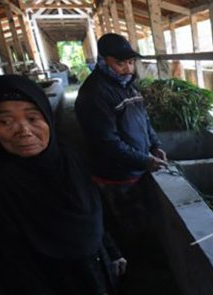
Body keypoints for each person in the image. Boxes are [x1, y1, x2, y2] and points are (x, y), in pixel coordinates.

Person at [0, 75, 127, 295]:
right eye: (5, 121)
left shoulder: (69, 156)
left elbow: (94, 208)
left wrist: (111, 251)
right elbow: (9, 264)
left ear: (47, 117)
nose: (23, 131)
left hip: (96, 268)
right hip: (57, 292)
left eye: (32, 117)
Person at [75, 33, 168, 252]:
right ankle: (132, 265)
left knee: (141, 217)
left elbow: (144, 120)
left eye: (130, 62)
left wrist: (156, 146)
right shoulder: (94, 94)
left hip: (136, 168)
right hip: (115, 175)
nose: (127, 68)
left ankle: (145, 254)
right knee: (126, 224)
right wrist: (144, 160)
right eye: (120, 63)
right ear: (102, 60)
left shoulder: (127, 85)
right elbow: (107, 142)